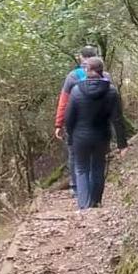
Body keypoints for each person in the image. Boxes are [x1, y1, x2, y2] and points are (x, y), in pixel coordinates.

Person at [64, 56, 129, 209]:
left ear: (87, 71)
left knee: (81, 169)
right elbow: (118, 119)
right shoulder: (111, 91)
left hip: (80, 137)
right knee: (98, 167)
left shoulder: (76, 90)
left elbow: (69, 118)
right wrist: (122, 144)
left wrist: (70, 137)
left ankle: (84, 205)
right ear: (101, 71)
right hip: (102, 136)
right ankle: (96, 202)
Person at [54, 45, 103, 189]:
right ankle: (93, 188)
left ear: (81, 58)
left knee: (75, 154)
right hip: (98, 121)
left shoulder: (73, 76)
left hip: (76, 122)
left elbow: (63, 101)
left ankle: (76, 187)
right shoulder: (104, 75)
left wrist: (58, 124)